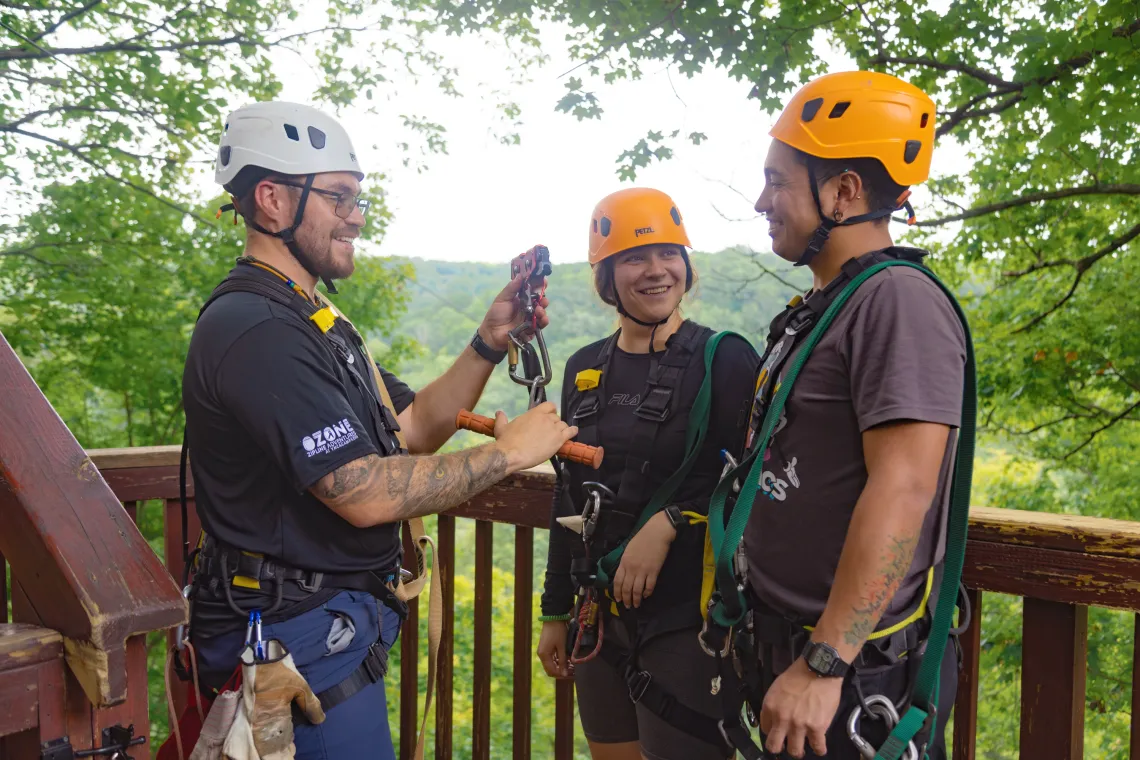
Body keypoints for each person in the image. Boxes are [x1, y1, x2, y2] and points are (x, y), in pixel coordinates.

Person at [178, 101, 576, 760]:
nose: (356, 217)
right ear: (272, 200)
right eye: (338, 197)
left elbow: (412, 427)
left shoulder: (314, 319)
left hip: (322, 629)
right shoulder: (259, 331)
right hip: (290, 639)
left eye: (357, 199)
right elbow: (365, 494)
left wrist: (486, 341)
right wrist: (506, 456)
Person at [728, 71, 969, 760]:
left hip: (852, 678)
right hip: (800, 654)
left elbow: (905, 489)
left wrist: (825, 662)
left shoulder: (897, 302)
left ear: (843, 192)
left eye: (777, 182)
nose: (761, 201)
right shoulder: (828, 305)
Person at [536, 187, 760, 760]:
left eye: (669, 254)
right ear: (607, 276)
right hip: (600, 614)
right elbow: (569, 495)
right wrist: (555, 611)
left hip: (690, 619)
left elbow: (755, 487)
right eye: (635, 257)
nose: (656, 270)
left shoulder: (725, 361)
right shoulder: (584, 367)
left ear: (687, 265)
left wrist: (670, 522)